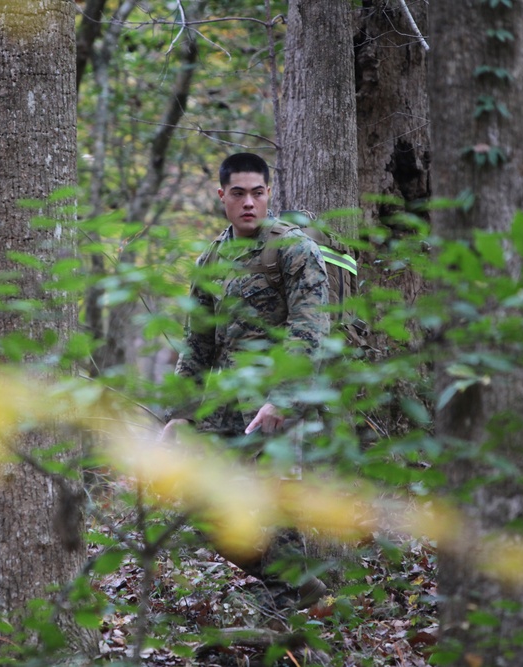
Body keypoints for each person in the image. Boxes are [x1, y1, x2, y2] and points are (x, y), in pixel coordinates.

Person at [161, 152, 330, 610]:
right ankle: (301, 590)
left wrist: (283, 399)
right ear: (222, 196)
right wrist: (180, 413)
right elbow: (197, 344)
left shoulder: (294, 250)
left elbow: (310, 331)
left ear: (269, 193)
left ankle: (288, 606)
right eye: (238, 193)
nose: (249, 203)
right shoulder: (211, 259)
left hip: (277, 400)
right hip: (227, 401)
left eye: (258, 192)